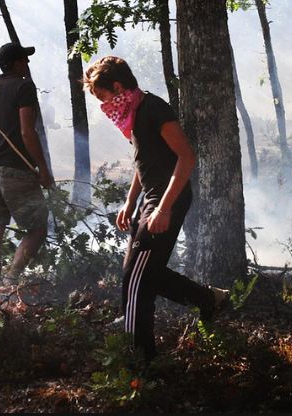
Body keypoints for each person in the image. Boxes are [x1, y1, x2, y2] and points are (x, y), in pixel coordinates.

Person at [82, 56, 229, 363]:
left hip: (167, 200)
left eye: (103, 96)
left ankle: (139, 362)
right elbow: (143, 162)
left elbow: (186, 158)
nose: (103, 105)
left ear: (118, 86)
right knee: (143, 272)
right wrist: (130, 201)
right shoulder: (133, 113)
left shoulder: (153, 109)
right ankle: (208, 299)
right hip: (152, 199)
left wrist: (163, 209)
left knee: (135, 279)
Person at [0, 42, 53, 285]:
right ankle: (11, 280)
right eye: (24, 59)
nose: (27, 63)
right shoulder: (24, 86)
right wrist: (43, 168)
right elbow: (27, 132)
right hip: (17, 171)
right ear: (15, 63)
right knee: (38, 228)